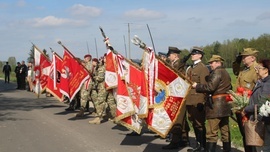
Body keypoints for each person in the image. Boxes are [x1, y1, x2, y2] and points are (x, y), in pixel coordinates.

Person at [192, 55, 232, 152]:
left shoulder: (217, 72)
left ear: (218, 62)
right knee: (225, 131)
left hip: (216, 106)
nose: (210, 65)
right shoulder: (226, 72)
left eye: (212, 62)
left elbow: (210, 87)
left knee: (211, 132)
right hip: (225, 105)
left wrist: (197, 86)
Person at [162, 46, 190, 150]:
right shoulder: (172, 64)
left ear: (175, 55)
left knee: (177, 119)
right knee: (181, 119)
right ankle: (184, 139)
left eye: (170, 55)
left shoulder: (180, 64)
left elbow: (178, 75)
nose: (169, 57)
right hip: (174, 94)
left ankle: (175, 141)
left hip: (180, 94)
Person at [232, 48, 259, 152]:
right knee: (244, 134)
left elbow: (258, 89)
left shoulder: (256, 70)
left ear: (252, 58)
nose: (243, 59)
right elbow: (235, 71)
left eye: (244, 57)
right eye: (242, 57)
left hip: (249, 108)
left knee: (252, 136)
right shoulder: (244, 69)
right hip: (240, 106)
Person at [242, 59, 270, 152]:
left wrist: (246, 109)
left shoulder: (267, 84)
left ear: (266, 70)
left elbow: (261, 104)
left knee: (263, 147)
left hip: (264, 121)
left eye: (259, 68)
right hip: (259, 119)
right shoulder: (261, 82)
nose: (257, 70)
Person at [185, 47, 209, 152]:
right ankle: (198, 145)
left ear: (200, 55)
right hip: (189, 99)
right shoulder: (190, 68)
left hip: (198, 99)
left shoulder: (202, 68)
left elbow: (204, 85)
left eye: (195, 54)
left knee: (199, 123)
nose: (192, 55)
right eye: (192, 54)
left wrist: (203, 101)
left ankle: (203, 146)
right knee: (193, 122)